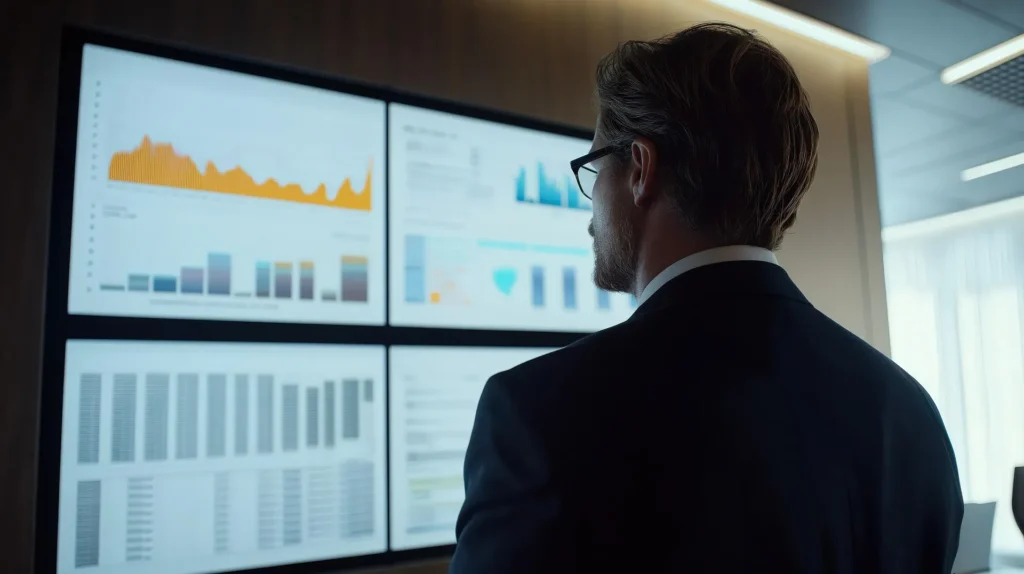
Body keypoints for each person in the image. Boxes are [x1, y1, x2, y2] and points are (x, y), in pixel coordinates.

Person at [449, 22, 963, 574]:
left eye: (596, 166)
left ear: (641, 170)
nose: (590, 202)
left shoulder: (538, 413)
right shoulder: (909, 413)